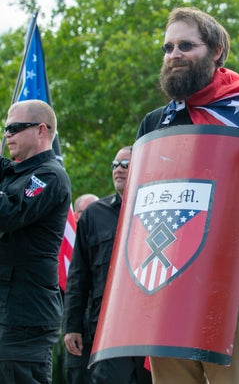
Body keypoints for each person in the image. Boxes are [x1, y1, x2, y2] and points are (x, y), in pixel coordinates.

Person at [134, 6, 239, 383]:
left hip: (233, 275)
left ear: (215, 52)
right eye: (167, 48)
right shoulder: (153, 122)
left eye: (185, 46)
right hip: (165, 275)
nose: (174, 54)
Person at [63, 146, 151, 384]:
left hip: (149, 326)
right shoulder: (94, 215)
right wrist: (72, 326)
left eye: (125, 164)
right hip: (108, 326)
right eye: (114, 165)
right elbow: (79, 276)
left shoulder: (157, 211)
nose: (118, 170)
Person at [0, 99, 72, 383]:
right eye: (5, 129)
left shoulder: (49, 175)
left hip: (25, 316)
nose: (8, 135)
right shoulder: (16, 173)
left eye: (15, 128)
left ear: (42, 130)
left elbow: (8, 213)